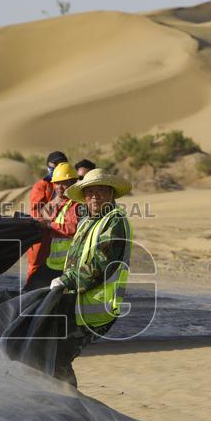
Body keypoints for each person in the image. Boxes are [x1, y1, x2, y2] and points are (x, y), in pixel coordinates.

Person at [48, 168, 133, 384]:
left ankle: (68, 404)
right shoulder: (87, 221)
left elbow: (100, 264)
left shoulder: (114, 222)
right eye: (90, 191)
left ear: (111, 194)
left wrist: (65, 281)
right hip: (77, 302)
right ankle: (65, 401)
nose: (95, 196)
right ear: (84, 197)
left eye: (101, 191)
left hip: (96, 308)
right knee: (54, 353)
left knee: (58, 355)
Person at [24, 162, 82, 290]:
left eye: (64, 183)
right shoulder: (57, 203)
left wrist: (49, 225)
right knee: (29, 291)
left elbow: (72, 228)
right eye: (56, 183)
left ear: (73, 183)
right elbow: (41, 216)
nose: (59, 187)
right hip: (52, 264)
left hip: (68, 267)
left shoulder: (77, 205)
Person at [26, 151, 67, 281]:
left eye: (57, 167)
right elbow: (36, 213)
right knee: (36, 269)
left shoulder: (71, 185)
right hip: (42, 236)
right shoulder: (42, 186)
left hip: (63, 237)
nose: (53, 170)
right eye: (51, 167)